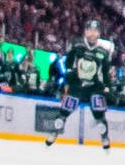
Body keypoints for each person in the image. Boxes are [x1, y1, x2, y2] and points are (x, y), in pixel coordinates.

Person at [46, 20, 114, 150]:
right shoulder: (77, 46)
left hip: (94, 86)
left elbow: (105, 73)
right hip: (77, 85)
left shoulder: (103, 52)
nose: (92, 33)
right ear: (85, 31)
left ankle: (104, 136)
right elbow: (68, 65)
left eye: (95, 30)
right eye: (89, 30)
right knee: (64, 112)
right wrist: (68, 78)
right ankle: (54, 132)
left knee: (99, 113)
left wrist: (107, 87)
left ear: (98, 33)